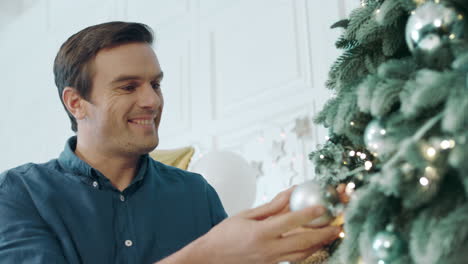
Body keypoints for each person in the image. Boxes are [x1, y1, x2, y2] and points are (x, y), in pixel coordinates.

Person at [0, 21, 341, 264]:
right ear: (76, 103)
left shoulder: (196, 193)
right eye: (128, 87)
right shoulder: (18, 194)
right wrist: (207, 256)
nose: (152, 101)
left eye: (156, 84)